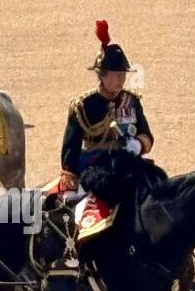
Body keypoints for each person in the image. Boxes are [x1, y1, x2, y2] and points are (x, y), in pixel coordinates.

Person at [56, 20, 154, 199]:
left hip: (127, 161)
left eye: (123, 75)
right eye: (117, 75)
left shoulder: (130, 101)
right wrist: (70, 178)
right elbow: (71, 147)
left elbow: (146, 134)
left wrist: (138, 145)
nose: (121, 80)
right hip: (96, 163)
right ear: (102, 74)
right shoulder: (83, 105)